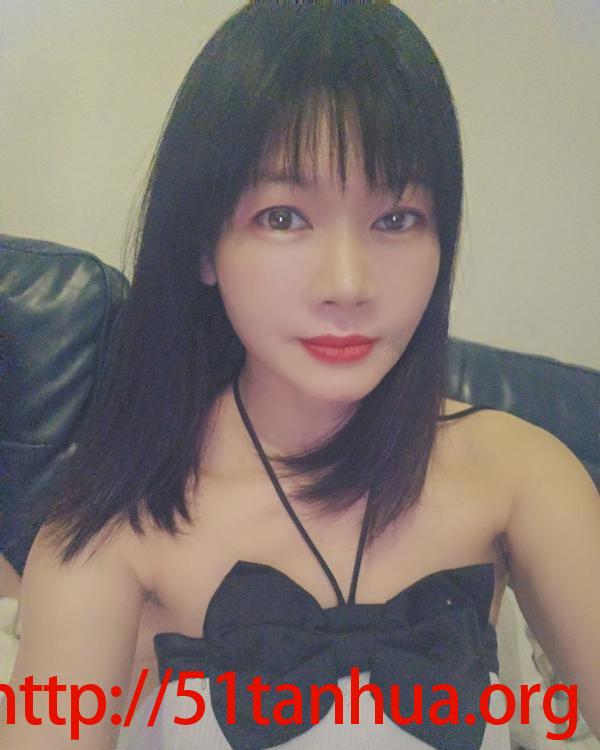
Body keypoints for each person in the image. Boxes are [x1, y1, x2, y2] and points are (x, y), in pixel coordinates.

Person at [1, 2, 599, 749]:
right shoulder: (116, 529)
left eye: (396, 219)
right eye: (283, 217)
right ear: (205, 246)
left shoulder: (521, 476)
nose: (347, 284)